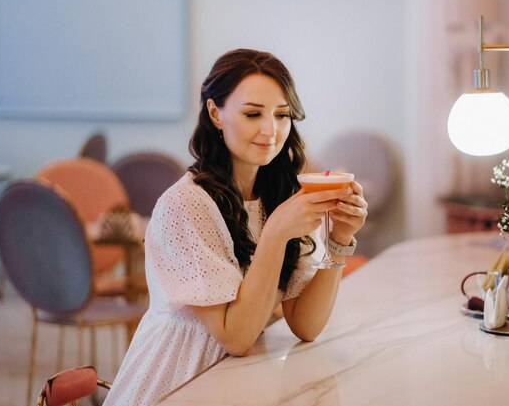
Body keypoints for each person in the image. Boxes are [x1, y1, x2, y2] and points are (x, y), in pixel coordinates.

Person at [103, 48, 368, 406]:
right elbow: (236, 337)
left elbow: (306, 325)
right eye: (252, 113)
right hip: (178, 381)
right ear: (215, 113)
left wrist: (340, 236)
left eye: (282, 115)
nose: (270, 130)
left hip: (242, 381)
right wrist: (276, 233)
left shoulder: (280, 195)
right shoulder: (185, 205)